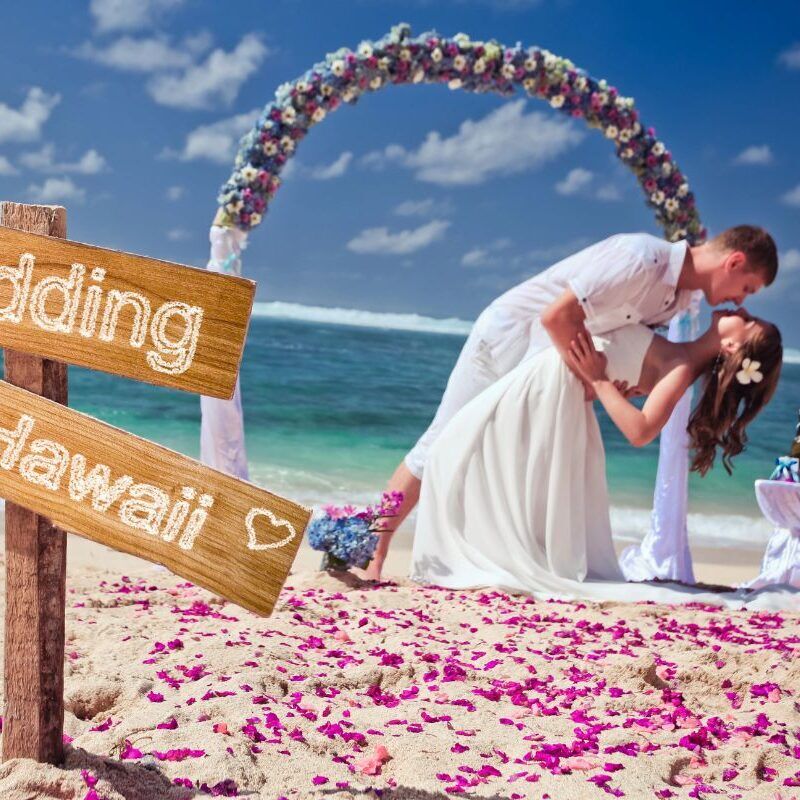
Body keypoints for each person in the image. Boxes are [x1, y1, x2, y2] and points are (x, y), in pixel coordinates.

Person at [365, 225, 778, 580]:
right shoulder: (640, 259)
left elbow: (623, 348)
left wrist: (613, 382)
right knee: (439, 442)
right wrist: (598, 378)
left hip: (548, 371)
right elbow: (555, 317)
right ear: (734, 261)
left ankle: (394, 546)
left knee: (479, 458)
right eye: (747, 288)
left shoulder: (682, 300)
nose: (741, 302)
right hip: (511, 340)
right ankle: (372, 549)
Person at [410, 309, 784, 606]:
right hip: (548, 386)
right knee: (460, 451)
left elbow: (640, 431)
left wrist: (601, 380)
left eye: (749, 321)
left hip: (549, 390)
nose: (742, 309)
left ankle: (482, 551)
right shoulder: (679, 353)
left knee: (454, 450)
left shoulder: (681, 368)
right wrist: (600, 386)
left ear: (733, 346)